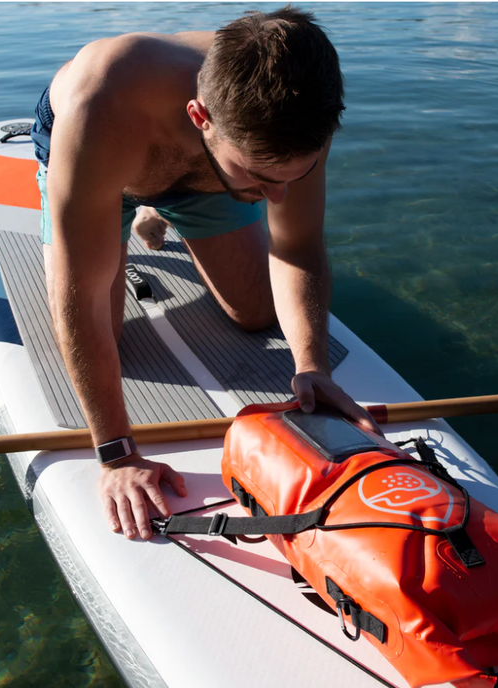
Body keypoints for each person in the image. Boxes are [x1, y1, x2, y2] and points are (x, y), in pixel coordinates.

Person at [31, 6, 380, 542]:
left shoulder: (303, 110)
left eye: (294, 174)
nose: (280, 197)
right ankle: (130, 212)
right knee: (105, 325)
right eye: (264, 178)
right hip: (102, 157)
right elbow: (80, 300)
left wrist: (313, 367)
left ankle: (159, 212)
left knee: (260, 314)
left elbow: (299, 242)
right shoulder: (102, 102)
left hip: (213, 173)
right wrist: (116, 453)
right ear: (200, 117)